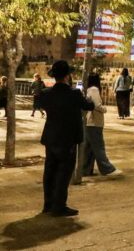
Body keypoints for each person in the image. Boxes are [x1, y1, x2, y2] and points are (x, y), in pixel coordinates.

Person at [39, 60, 95, 217]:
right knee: (64, 173)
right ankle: (59, 206)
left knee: (50, 171)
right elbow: (88, 106)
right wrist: (88, 99)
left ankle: (48, 204)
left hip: (51, 137)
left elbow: (41, 103)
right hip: (68, 139)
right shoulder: (74, 94)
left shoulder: (46, 93)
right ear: (67, 76)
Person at [82, 72, 122, 177]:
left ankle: (85, 169)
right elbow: (97, 105)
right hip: (95, 122)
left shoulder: (88, 90)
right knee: (98, 147)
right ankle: (107, 169)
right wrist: (104, 109)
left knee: (89, 149)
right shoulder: (94, 90)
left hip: (89, 122)